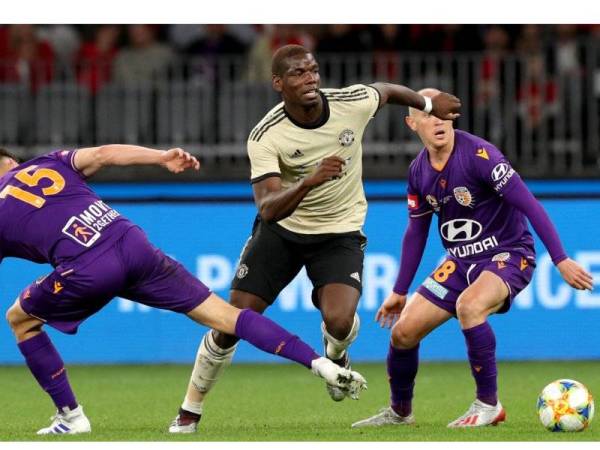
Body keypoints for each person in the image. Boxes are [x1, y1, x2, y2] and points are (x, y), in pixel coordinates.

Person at [168, 45, 462, 433]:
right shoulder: (265, 136)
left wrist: (427, 104)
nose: (309, 78)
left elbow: (387, 90)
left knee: (339, 320)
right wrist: (309, 180)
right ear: (278, 83)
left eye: (313, 71)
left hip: (339, 230)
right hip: (283, 233)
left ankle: (336, 354)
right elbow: (268, 208)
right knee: (230, 321)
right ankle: (190, 411)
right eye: (297, 73)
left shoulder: (351, 103)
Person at [0, 145, 367, 435]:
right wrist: (161, 157)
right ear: (13, 161)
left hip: (88, 267)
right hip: (130, 240)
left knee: (21, 319)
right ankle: (319, 363)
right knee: (228, 317)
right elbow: (103, 155)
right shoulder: (47, 163)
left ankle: (71, 417)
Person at [351, 88, 594, 429]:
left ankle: (488, 404)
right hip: (460, 261)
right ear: (412, 123)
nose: (438, 121)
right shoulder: (418, 172)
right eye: (428, 114)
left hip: (508, 253)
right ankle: (400, 413)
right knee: (403, 333)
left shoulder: (480, 155)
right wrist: (399, 290)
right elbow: (416, 233)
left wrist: (561, 259)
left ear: (452, 117)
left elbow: (529, 204)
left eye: (442, 114)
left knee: (470, 306)